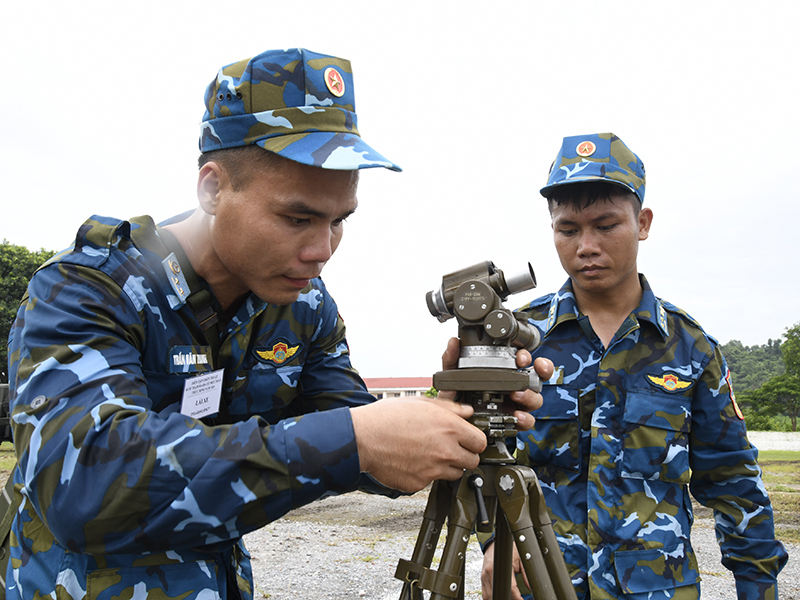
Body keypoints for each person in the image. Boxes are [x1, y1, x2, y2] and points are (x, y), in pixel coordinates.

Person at [4, 48, 546, 600]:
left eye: (340, 221)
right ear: (214, 188)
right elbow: (85, 484)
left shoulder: (302, 305)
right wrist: (354, 440)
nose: (322, 249)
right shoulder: (86, 289)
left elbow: (354, 431)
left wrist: (448, 412)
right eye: (297, 218)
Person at [480, 133, 788, 600]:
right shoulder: (519, 339)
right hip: (542, 584)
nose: (586, 246)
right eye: (568, 230)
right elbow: (479, 454)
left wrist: (758, 586)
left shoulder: (688, 347)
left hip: (657, 589)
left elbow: (732, 479)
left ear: (642, 223)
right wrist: (492, 544)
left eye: (605, 226)